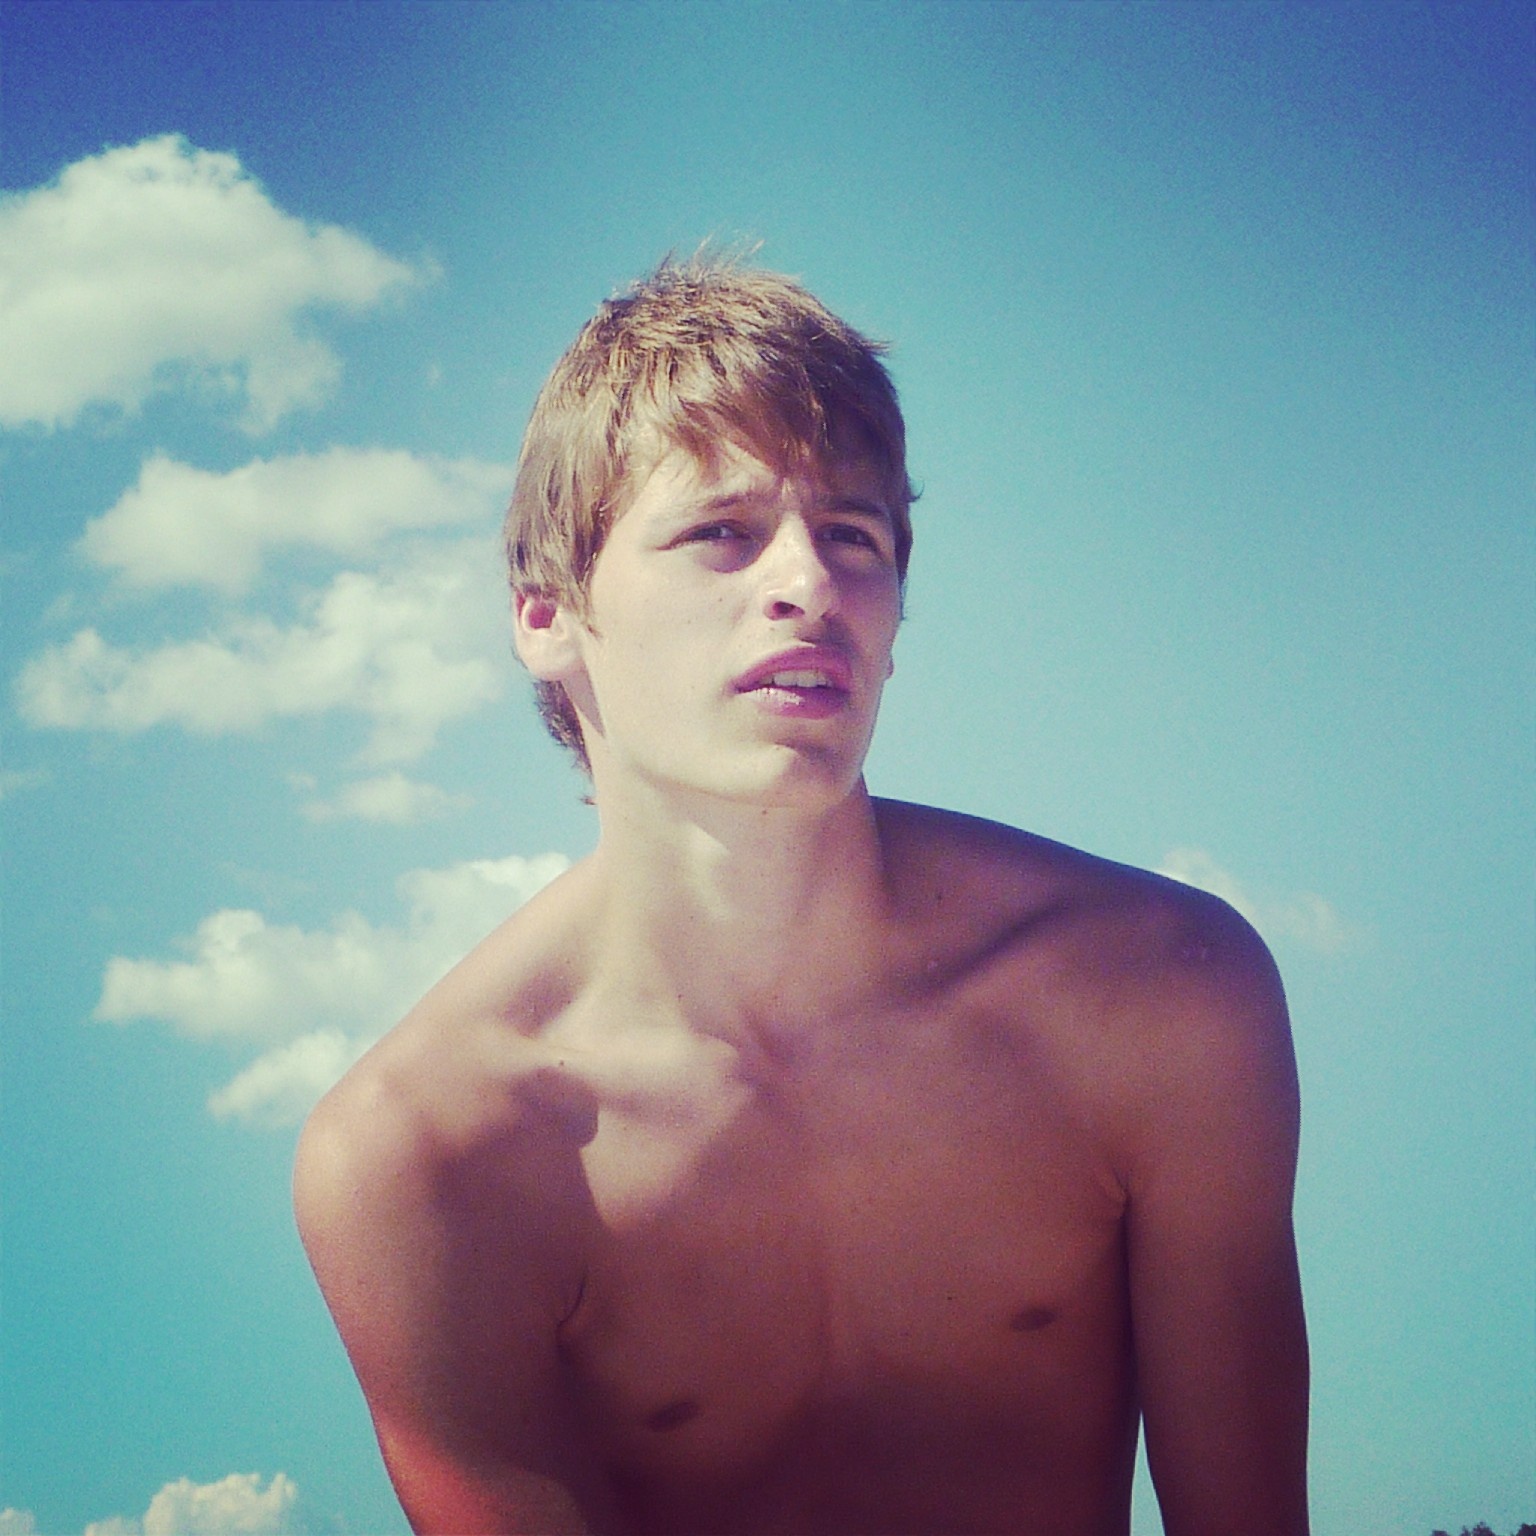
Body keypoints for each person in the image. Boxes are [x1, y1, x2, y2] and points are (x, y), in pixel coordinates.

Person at [293, 256, 1310, 1536]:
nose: (809, 586)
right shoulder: (428, 1164)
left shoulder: (1158, 998)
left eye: (852, 537)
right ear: (546, 613)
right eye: (720, 533)